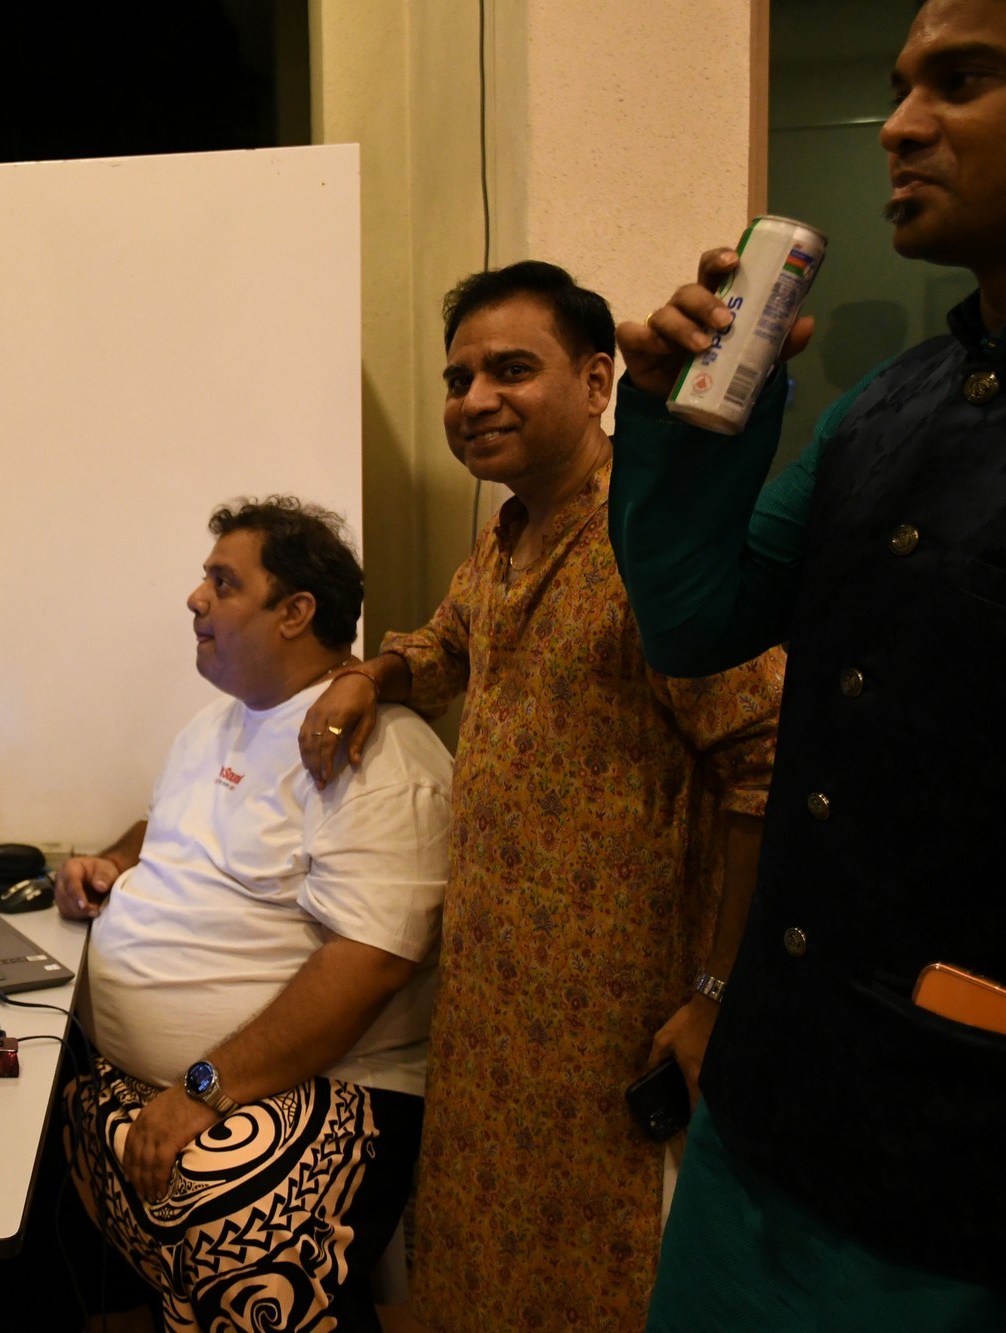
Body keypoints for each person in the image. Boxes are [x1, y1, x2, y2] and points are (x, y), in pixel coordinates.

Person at [606, 3, 1006, 1326]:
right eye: (898, 86)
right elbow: (692, 622)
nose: (898, 126)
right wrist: (682, 428)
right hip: (772, 1106)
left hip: (961, 1179)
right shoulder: (883, 406)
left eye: (962, 80)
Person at [296, 262, 785, 1331]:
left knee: (604, 1282)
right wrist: (371, 675)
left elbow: (766, 763)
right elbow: (448, 643)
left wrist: (714, 993)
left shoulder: (651, 539)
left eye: (510, 370)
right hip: (493, 1013)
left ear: (599, 380)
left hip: (618, 1023)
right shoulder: (508, 531)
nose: (474, 400)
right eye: (457, 378)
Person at [53, 497, 451, 1333]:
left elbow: (371, 965)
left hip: (337, 1088)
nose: (194, 598)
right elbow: (169, 826)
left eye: (223, 582)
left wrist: (203, 1089)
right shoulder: (216, 724)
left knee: (208, 1203)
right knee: (14, 1117)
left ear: (295, 611)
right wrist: (113, 861)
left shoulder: (379, 755)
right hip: (191, 1074)